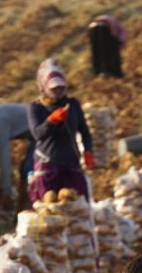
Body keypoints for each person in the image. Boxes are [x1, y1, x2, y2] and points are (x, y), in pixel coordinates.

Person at [27, 59, 94, 205]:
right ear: (44, 87)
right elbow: (37, 134)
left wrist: (88, 151)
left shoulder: (73, 104)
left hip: (72, 164)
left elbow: (84, 131)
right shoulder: (36, 108)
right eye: (54, 89)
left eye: (61, 88)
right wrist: (51, 121)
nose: (58, 92)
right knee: (50, 208)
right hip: (48, 165)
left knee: (79, 206)